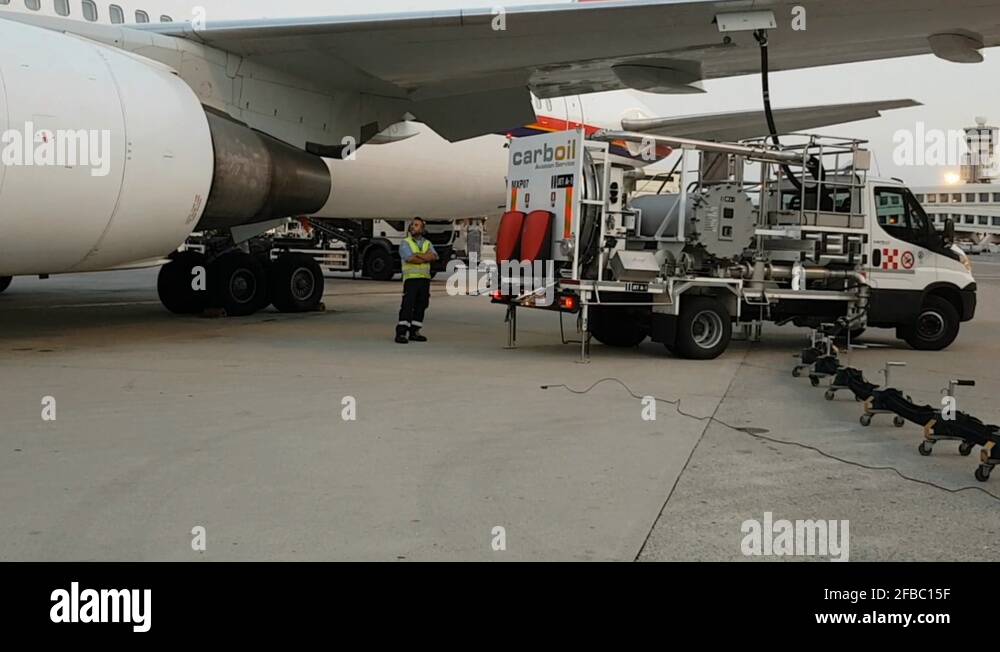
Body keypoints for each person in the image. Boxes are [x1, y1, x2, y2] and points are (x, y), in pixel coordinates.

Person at [396, 217, 438, 344]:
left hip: (424, 280)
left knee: (422, 304)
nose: (413, 227)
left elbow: (434, 256)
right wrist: (425, 257)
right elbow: (410, 258)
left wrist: (419, 256)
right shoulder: (405, 242)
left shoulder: (427, 243)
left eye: (416, 225)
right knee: (407, 305)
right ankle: (401, 332)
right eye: (412, 225)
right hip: (411, 280)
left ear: (422, 229)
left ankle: (415, 331)